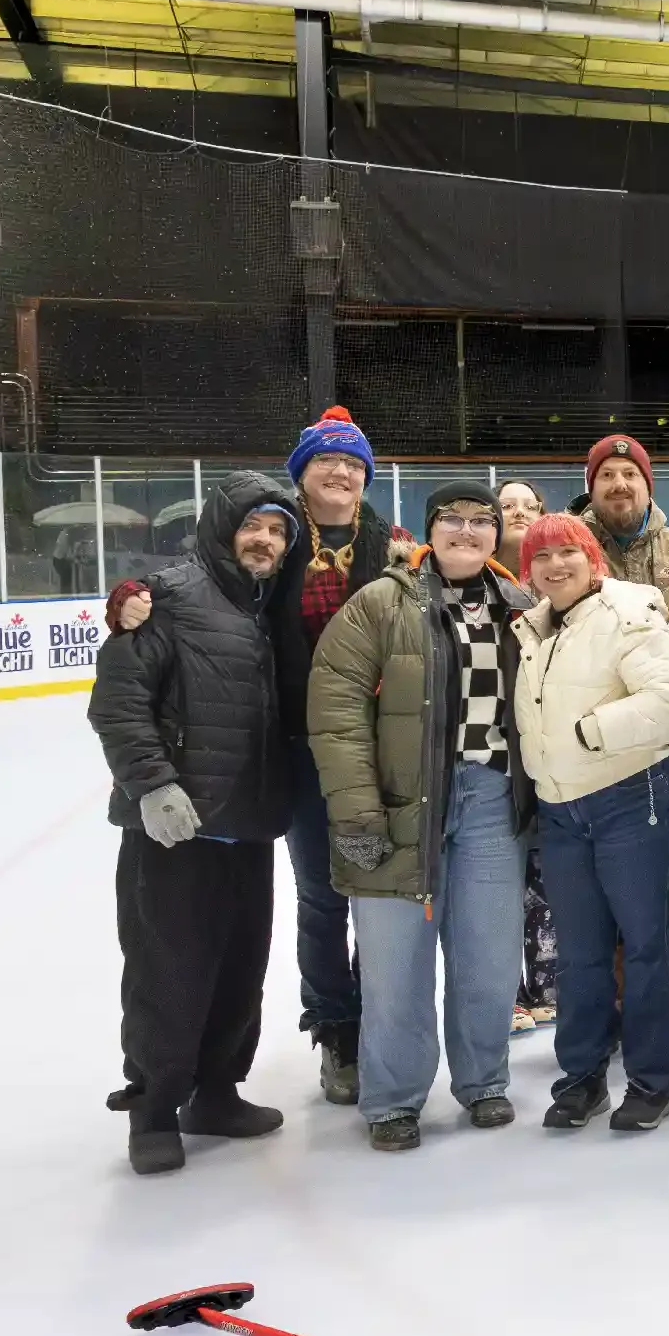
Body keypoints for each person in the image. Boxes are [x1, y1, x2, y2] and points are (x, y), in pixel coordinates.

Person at [112, 407, 414, 1107]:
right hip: (296, 748)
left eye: (353, 463)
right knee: (320, 896)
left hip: (381, 747)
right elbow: (200, 585)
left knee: (383, 890)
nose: (339, 473)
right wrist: (132, 596)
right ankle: (336, 1026)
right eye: (324, 462)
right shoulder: (272, 547)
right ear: (301, 474)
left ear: (366, 476)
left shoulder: (396, 546)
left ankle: (381, 1022)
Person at [308, 482, 535, 1151]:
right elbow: (337, 707)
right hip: (402, 801)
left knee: (491, 952)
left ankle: (485, 1080)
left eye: (480, 522)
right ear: (430, 530)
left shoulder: (522, 606)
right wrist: (356, 808)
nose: (466, 532)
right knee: (394, 959)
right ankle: (394, 1098)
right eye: (452, 520)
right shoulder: (380, 603)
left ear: (497, 535)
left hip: (493, 799)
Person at [90, 472, 299, 1175]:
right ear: (221, 526)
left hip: (248, 824)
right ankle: (153, 1108)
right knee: (169, 971)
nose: (264, 539)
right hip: (174, 831)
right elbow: (119, 699)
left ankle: (215, 1090)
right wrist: (152, 783)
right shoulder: (167, 596)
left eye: (277, 530)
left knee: (241, 969)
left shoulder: (271, 603)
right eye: (253, 525)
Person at [512, 513, 669, 1133]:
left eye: (569, 552)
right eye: (542, 556)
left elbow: (668, 702)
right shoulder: (531, 627)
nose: (556, 565)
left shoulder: (628, 613)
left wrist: (591, 733)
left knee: (644, 943)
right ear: (527, 570)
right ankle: (582, 1075)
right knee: (580, 951)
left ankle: (652, 1078)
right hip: (561, 808)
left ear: (593, 559)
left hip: (629, 794)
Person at [495, 476, 558, 1035]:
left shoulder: (554, 576)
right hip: (495, 750)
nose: (517, 512)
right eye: (506, 505)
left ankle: (546, 978)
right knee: (499, 874)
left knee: (544, 870)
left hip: (551, 746)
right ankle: (506, 988)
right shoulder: (480, 580)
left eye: (527, 505)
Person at [580, 434, 669, 588]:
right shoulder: (567, 551)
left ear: (648, 488)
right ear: (591, 491)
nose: (619, 485)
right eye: (607, 475)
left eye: (630, 474)